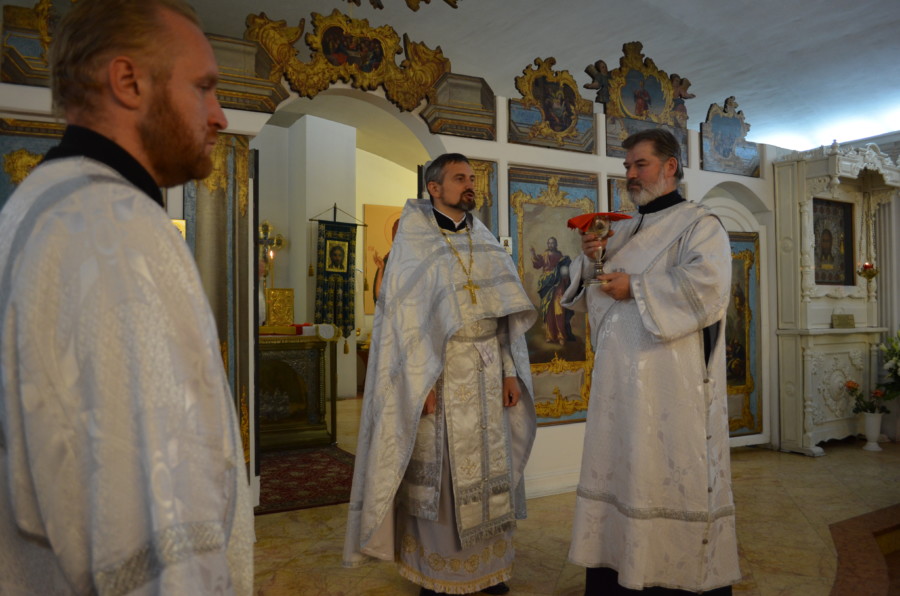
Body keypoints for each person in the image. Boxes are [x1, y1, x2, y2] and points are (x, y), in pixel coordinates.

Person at [0, 1, 253, 594]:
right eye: (203, 87)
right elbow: (155, 517)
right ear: (128, 81)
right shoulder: (117, 231)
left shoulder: (37, 203)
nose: (220, 115)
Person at [343, 153, 537, 596]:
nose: (470, 185)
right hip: (441, 378)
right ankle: (440, 574)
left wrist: (509, 372)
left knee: (491, 472)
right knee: (445, 478)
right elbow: (403, 325)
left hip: (488, 373)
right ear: (434, 188)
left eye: (471, 178)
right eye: (460, 178)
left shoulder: (485, 241)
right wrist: (419, 384)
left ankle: (489, 571)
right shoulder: (414, 244)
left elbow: (504, 318)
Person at [561, 129, 740, 594]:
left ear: (670, 166)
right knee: (620, 466)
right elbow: (588, 292)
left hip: (668, 382)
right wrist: (591, 260)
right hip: (617, 383)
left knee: (661, 469)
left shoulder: (699, 224)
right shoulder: (619, 228)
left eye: (640, 164)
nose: (631, 174)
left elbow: (709, 288)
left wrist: (636, 288)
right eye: (627, 166)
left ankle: (669, 576)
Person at [530, 236, 574, 344]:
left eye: (553, 243)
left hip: (558, 284)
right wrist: (533, 254)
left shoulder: (561, 257)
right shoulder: (544, 255)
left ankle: (561, 336)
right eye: (549, 243)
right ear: (547, 244)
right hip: (547, 284)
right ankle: (550, 335)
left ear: (556, 244)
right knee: (548, 310)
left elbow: (565, 270)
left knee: (559, 310)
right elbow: (537, 264)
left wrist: (565, 277)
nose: (551, 245)